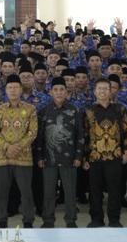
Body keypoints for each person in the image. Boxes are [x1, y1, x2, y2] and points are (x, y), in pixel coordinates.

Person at [0, 74, 38, 228]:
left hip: (23, 157)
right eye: (10, 87)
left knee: (26, 192)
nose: (13, 90)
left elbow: (33, 132)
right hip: (2, 157)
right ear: (5, 90)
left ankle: (28, 220)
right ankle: (2, 220)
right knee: (2, 191)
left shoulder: (30, 109)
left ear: (21, 89)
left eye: (16, 87)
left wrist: (17, 146)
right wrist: (7, 147)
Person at [35, 78, 83, 228]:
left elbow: (80, 135)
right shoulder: (44, 111)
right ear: (51, 92)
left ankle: (71, 221)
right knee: (49, 192)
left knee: (70, 192)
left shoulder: (74, 110)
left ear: (66, 92)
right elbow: (40, 137)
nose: (59, 92)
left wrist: (78, 156)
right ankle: (48, 221)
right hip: (49, 159)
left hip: (69, 158)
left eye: (62, 89)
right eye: (55, 90)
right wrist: (39, 156)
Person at [84, 79, 127, 228]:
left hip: (115, 156)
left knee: (115, 190)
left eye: (106, 88)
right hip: (94, 157)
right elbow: (84, 135)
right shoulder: (88, 111)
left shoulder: (120, 109)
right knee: (95, 190)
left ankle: (114, 219)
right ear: (95, 91)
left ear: (111, 91)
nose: (103, 91)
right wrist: (85, 157)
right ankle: (96, 219)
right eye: (99, 88)